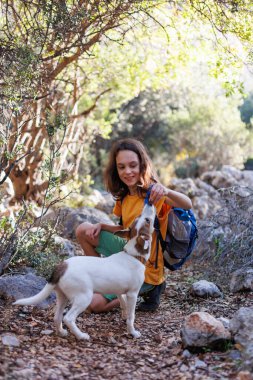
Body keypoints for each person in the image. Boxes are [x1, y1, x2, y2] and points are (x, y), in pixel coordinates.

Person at [76, 138, 192, 312]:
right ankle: (100, 277)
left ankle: (147, 290)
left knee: (93, 304)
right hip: (126, 254)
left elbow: (187, 204)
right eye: (121, 167)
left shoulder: (155, 193)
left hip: (144, 269)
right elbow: (127, 231)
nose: (127, 171)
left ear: (142, 166)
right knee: (84, 230)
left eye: (133, 165)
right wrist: (101, 225)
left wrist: (166, 190)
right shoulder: (124, 196)